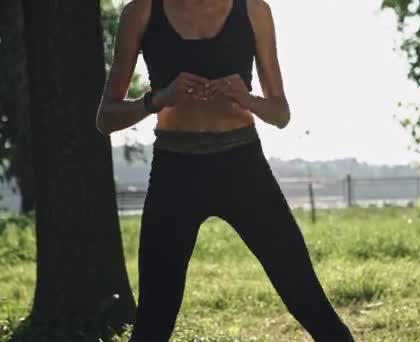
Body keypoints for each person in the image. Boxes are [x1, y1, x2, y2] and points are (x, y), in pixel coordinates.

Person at [95, 0, 355, 341]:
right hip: (176, 170)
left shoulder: (253, 10)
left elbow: (280, 113)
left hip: (242, 165)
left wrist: (245, 98)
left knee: (307, 298)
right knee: (154, 322)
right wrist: (158, 99)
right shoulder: (141, 12)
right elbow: (106, 118)